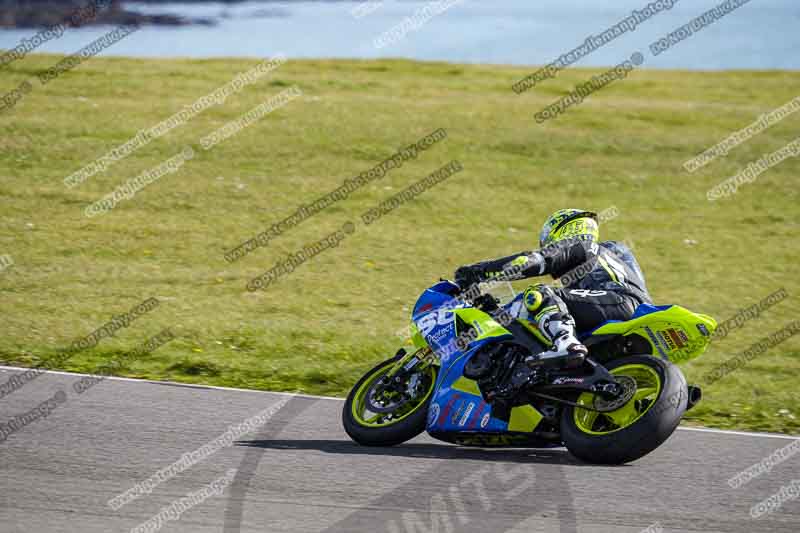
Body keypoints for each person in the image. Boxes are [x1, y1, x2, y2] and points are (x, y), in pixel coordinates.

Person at [454, 209, 652, 368]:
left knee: (539, 294)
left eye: (548, 238)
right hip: (627, 312)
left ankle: (566, 343)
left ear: (565, 229)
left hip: (619, 301)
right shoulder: (611, 253)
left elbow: (534, 261)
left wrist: (480, 272)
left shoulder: (582, 245)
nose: (546, 244)